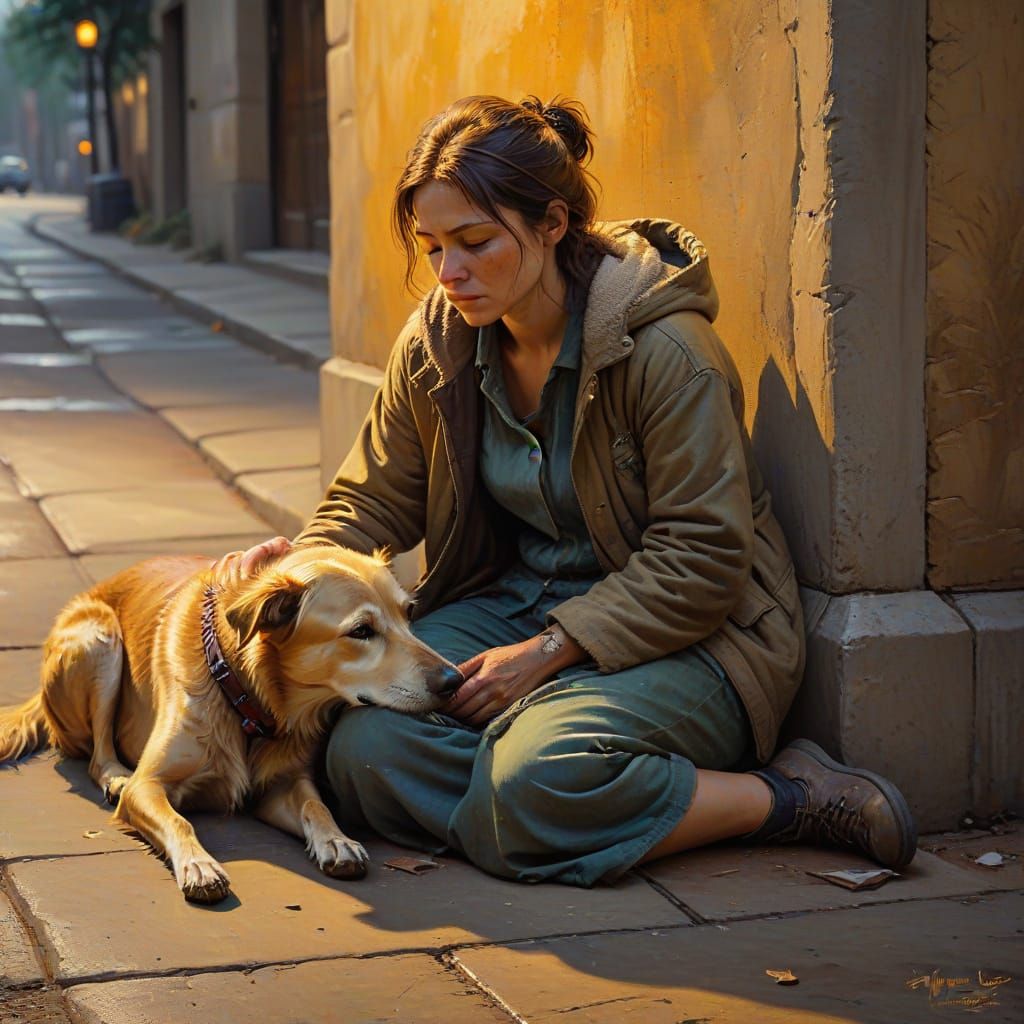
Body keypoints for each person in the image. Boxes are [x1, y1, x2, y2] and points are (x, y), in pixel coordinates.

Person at [233, 95, 916, 887]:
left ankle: (785, 798)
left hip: (696, 636)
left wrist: (550, 654)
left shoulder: (667, 353)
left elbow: (702, 559)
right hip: (514, 603)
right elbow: (371, 499)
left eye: (475, 243)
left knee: (532, 781)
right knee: (357, 751)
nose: (448, 273)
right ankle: (545, 810)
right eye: (431, 247)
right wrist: (302, 567)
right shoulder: (435, 346)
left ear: (553, 224)